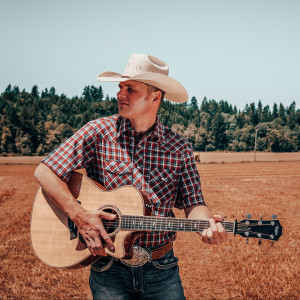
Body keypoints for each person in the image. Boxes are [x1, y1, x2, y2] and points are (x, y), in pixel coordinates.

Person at [34, 53, 228, 300]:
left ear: (155, 97)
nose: (119, 94)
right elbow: (45, 171)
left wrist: (206, 226)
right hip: (107, 267)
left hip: (161, 269)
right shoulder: (98, 132)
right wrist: (80, 216)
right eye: (120, 87)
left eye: (130, 88)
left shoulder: (179, 148)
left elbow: (193, 202)